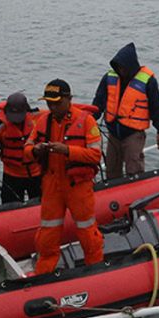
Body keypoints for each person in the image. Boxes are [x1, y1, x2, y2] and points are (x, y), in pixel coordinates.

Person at [23, 79, 104, 274]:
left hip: (78, 186)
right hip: (51, 184)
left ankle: (95, 269)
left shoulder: (86, 121)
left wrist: (67, 150)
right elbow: (26, 150)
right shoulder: (43, 121)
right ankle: (44, 274)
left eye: (57, 102)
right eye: (49, 103)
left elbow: (95, 155)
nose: (53, 107)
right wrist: (36, 150)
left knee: (87, 231)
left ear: (69, 99)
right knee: (48, 234)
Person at [92, 42, 159, 178]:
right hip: (113, 133)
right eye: (118, 67)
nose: (121, 70)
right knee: (111, 169)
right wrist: (89, 121)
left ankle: (137, 193)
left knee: (134, 169)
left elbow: (156, 107)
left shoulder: (148, 80)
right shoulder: (109, 78)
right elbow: (98, 103)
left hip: (133, 134)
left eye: (123, 67)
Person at [0, 91, 42, 203]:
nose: (15, 120)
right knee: (9, 206)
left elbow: (60, 111)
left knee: (42, 205)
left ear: (26, 111)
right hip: (12, 175)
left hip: (36, 173)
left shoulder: (37, 118)